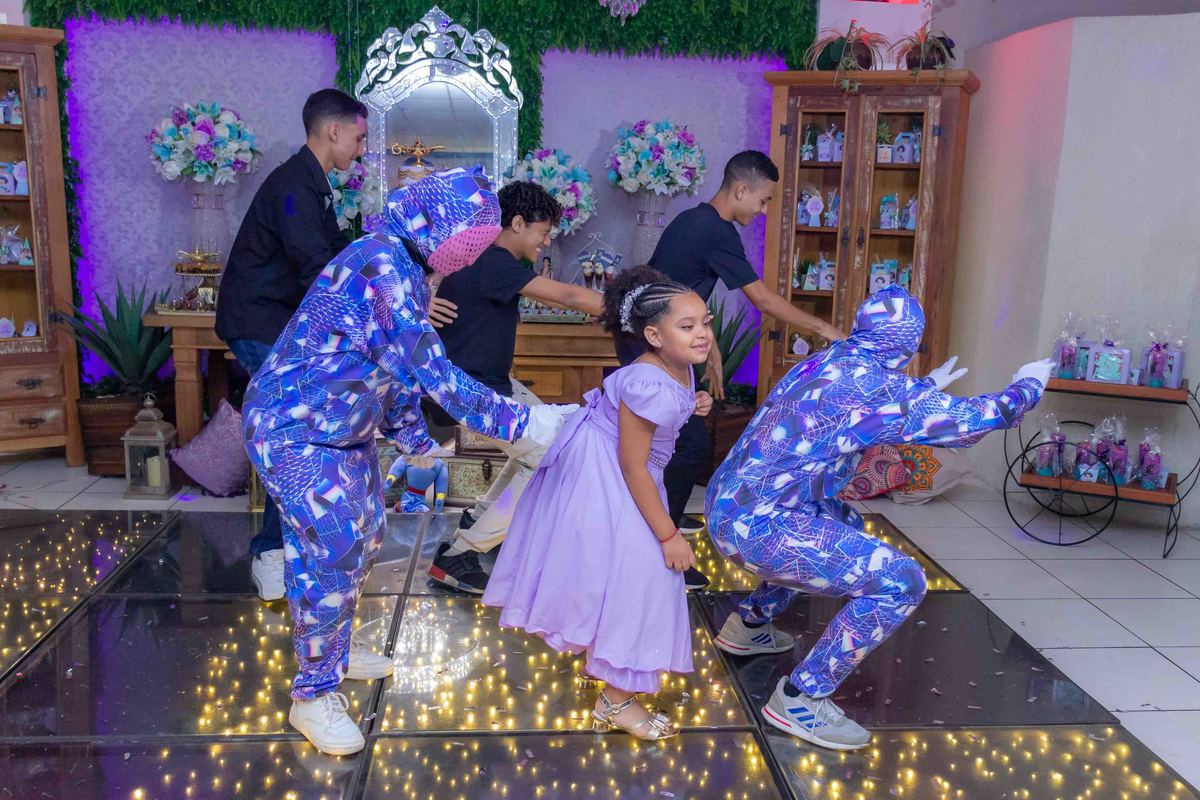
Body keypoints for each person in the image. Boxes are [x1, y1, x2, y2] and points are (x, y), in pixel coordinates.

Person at [242, 167, 570, 756]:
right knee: (334, 552)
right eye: (472, 238)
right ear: (443, 227)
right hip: (296, 430)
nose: (475, 251)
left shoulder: (407, 267)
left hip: (344, 432)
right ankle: (313, 694)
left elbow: (388, 365)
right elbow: (433, 373)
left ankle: (335, 653)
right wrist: (528, 425)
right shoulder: (381, 266)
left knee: (365, 538)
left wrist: (413, 436)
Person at [705, 285, 1054, 751]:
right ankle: (801, 699)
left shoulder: (827, 360)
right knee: (900, 582)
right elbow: (976, 420)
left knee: (845, 526)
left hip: (729, 503)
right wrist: (1029, 385)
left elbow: (863, 409)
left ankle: (748, 625)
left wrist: (924, 389)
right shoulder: (880, 386)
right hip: (760, 529)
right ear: (910, 343)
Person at [484, 265, 713, 740]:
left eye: (705, 323)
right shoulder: (647, 382)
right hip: (606, 471)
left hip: (622, 466)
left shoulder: (678, 364)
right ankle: (617, 701)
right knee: (642, 575)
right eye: (688, 326)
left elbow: (662, 419)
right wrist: (668, 534)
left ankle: (609, 669)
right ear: (654, 335)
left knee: (619, 574)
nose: (702, 334)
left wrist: (693, 402)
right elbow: (633, 465)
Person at [625, 150, 847, 545]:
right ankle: (660, 536)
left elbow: (681, 293)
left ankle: (659, 520)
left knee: (675, 440)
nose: (763, 211)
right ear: (741, 190)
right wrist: (823, 327)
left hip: (653, 339)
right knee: (689, 443)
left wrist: (709, 349)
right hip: (651, 345)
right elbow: (762, 299)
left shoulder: (692, 219)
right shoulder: (717, 232)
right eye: (763, 201)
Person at [217, 88, 368, 603]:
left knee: (298, 432)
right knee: (291, 434)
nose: (362, 149)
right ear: (333, 131)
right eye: (359, 138)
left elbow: (334, 257)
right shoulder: (294, 188)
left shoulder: (313, 185)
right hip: (258, 322)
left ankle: (289, 546)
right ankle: (269, 554)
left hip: (277, 324)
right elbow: (316, 271)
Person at [422, 181, 603, 594]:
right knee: (553, 453)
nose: (545, 243)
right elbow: (568, 295)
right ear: (517, 223)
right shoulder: (494, 260)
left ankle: (481, 518)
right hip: (468, 390)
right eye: (543, 232)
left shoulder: (485, 258)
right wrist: (633, 309)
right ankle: (458, 555)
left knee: (551, 447)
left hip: (483, 385)